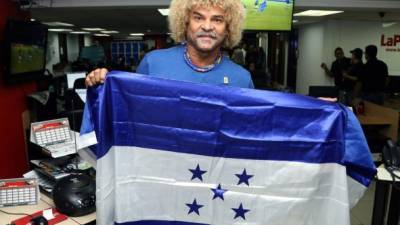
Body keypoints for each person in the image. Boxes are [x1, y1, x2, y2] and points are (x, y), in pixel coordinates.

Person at [86, 0, 253, 89]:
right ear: (185, 22)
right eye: (198, 17)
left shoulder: (242, 78)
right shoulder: (153, 63)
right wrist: (103, 83)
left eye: (217, 19)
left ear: (228, 28)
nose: (207, 26)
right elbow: (129, 110)